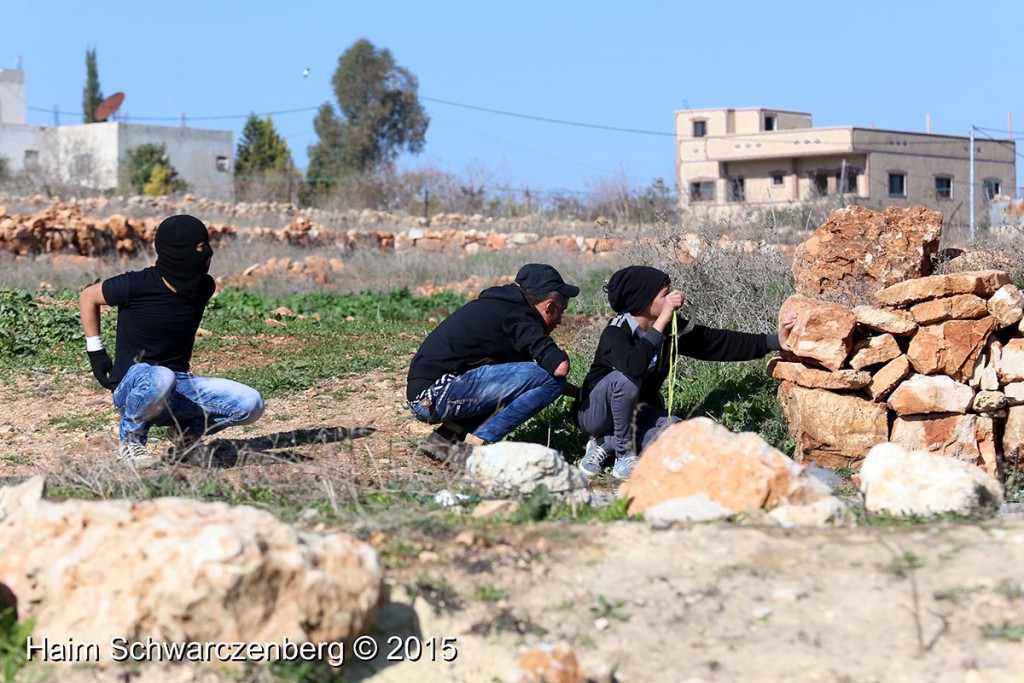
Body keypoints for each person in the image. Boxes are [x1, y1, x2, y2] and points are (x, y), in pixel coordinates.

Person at [78, 214, 265, 468]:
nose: (207, 254)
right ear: (178, 252)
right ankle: (131, 441)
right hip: (135, 385)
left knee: (251, 404)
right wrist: (96, 353)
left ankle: (186, 436)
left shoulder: (202, 287)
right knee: (160, 377)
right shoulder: (137, 284)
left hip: (179, 383)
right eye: (200, 248)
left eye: (207, 246)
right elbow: (88, 297)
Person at [575, 265, 793, 480]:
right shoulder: (616, 331)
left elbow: (713, 342)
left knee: (679, 434)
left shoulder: (670, 329)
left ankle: (606, 443)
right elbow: (634, 366)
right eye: (665, 295)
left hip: (637, 413)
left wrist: (773, 341)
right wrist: (661, 321)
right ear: (643, 301)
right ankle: (624, 455)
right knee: (625, 380)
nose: (673, 298)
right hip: (596, 415)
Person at [407, 263, 580, 467]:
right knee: (551, 380)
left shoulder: (501, 307)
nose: (560, 320)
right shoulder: (519, 316)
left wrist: (580, 392)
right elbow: (559, 369)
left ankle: (445, 439)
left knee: (521, 383)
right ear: (549, 306)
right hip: (436, 394)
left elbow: (524, 382)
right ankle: (474, 449)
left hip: (428, 394)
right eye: (561, 311)